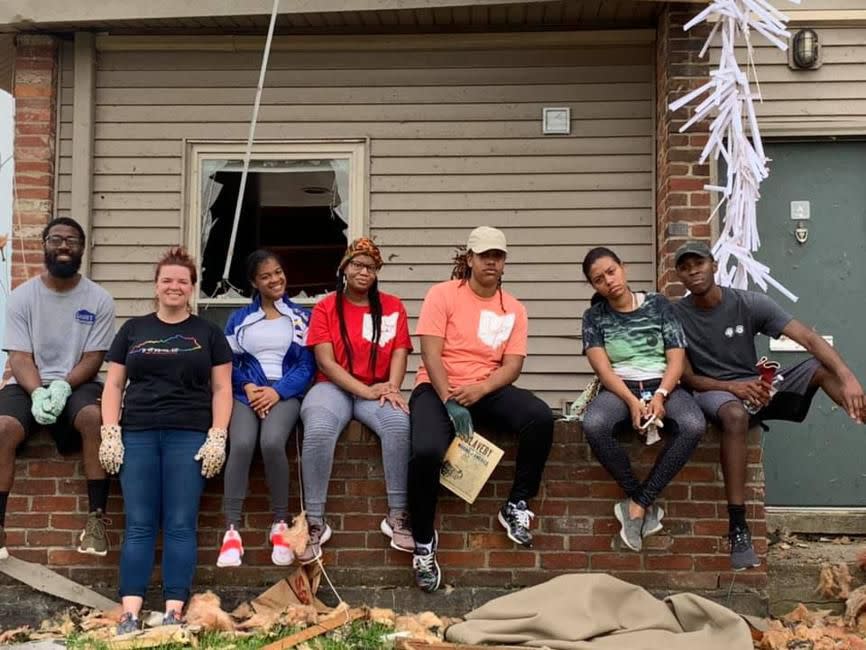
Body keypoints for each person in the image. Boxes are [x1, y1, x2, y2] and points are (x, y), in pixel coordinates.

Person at [673, 240, 866, 570]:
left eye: (699, 263)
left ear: (714, 266)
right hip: (714, 392)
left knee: (818, 368)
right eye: (686, 267)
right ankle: (738, 527)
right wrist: (733, 386)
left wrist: (847, 376)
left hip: (757, 389)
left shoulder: (747, 303)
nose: (694, 271)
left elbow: (808, 338)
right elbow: (688, 378)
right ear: (679, 275)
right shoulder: (676, 314)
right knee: (734, 415)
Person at [408, 226, 554, 593]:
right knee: (426, 451)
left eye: (498, 256)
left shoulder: (514, 309)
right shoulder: (442, 295)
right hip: (436, 388)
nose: (492, 261)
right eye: (485, 255)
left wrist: (481, 389)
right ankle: (423, 542)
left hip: (486, 388)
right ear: (469, 258)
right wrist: (449, 400)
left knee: (539, 417)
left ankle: (517, 503)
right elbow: (430, 352)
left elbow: (512, 365)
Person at [99, 247, 233, 633]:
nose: (174, 286)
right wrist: (111, 431)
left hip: (189, 435)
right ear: (156, 286)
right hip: (138, 433)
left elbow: (222, 389)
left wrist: (217, 434)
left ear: (192, 288)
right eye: (167, 280)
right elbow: (113, 383)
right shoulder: (133, 329)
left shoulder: (208, 333)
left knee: (180, 523)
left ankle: (174, 611)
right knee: (139, 523)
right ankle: (130, 614)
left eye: (182, 281)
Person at [0, 217, 115, 559]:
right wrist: (37, 391)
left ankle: (95, 522)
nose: (64, 246)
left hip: (78, 381)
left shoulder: (99, 299)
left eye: (72, 241)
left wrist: (63, 385)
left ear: (82, 249)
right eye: (56, 239)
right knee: (3, 427)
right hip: (28, 381)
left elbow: (94, 357)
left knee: (95, 418)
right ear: (44, 245)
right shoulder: (22, 298)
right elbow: (19, 357)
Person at [580, 247, 705, 553]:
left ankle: (637, 504)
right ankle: (641, 500)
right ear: (594, 286)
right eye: (599, 279)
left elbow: (676, 358)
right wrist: (631, 400)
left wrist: (661, 394)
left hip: (663, 384)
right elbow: (603, 369)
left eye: (611, 271)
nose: (608, 281)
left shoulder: (659, 304)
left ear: (624, 267)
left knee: (693, 425)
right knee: (594, 424)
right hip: (619, 388)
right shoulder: (593, 317)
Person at [299, 237, 414, 564]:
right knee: (319, 428)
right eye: (358, 265)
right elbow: (326, 361)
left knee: (398, 423)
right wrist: (366, 391)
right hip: (332, 387)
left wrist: (391, 387)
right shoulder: (325, 306)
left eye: (372, 267)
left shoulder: (393, 306)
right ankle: (315, 521)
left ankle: (398, 516)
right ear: (344, 268)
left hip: (377, 388)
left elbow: (400, 352)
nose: (364, 272)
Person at [217, 250, 316, 568]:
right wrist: (247, 386)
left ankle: (280, 524)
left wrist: (277, 391)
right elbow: (227, 362)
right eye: (266, 276)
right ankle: (231, 531)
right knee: (242, 443)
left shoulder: (301, 317)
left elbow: (306, 366)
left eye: (278, 272)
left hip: (284, 395)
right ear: (254, 283)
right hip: (246, 394)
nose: (275, 279)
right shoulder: (239, 319)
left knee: (272, 442)